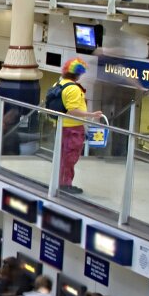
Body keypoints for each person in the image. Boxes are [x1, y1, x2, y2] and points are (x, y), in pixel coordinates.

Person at [47, 58, 101, 194]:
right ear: (77, 74)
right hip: (73, 129)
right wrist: (92, 114)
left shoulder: (59, 83)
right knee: (70, 157)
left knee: (62, 157)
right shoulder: (73, 89)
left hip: (60, 127)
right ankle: (65, 185)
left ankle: (60, 182)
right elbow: (72, 110)